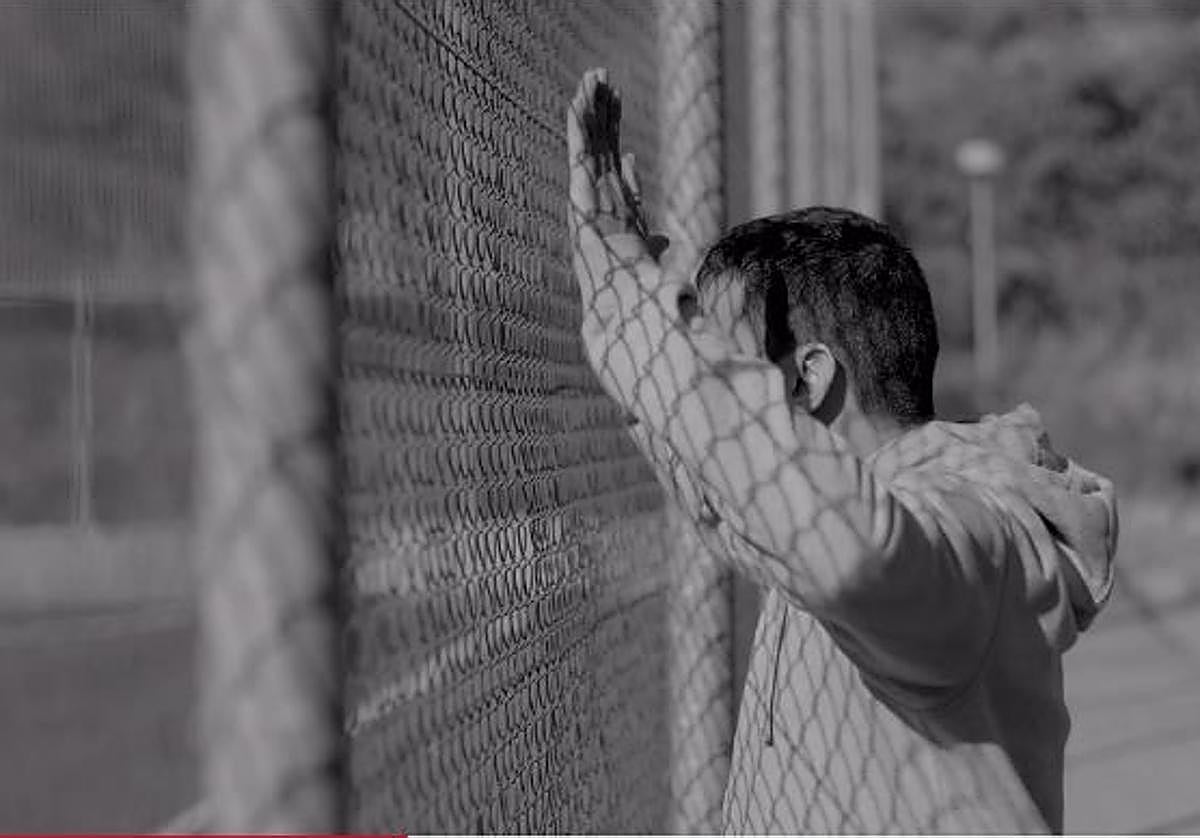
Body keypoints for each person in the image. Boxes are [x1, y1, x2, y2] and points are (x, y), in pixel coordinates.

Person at [567, 68, 1118, 834]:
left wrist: (642, 310)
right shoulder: (864, 510)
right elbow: (739, 496)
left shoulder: (970, 540)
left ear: (808, 378)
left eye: (725, 358)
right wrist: (636, 319)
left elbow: (837, 542)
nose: (719, 384)